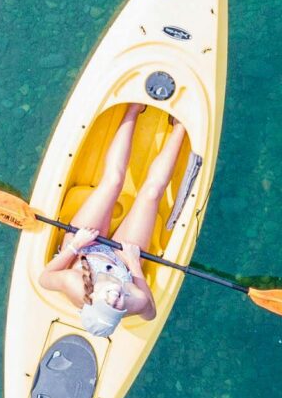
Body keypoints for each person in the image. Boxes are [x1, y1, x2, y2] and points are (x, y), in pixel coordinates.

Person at [34, 101, 187, 335]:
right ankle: (180, 128)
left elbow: (45, 278)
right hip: (122, 260)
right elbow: (150, 312)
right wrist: (135, 265)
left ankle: (134, 110)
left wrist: (75, 245)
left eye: (108, 302)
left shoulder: (75, 286)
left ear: (92, 297)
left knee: (113, 180)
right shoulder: (129, 301)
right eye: (117, 308)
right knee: (151, 193)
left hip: (85, 247)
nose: (116, 298)